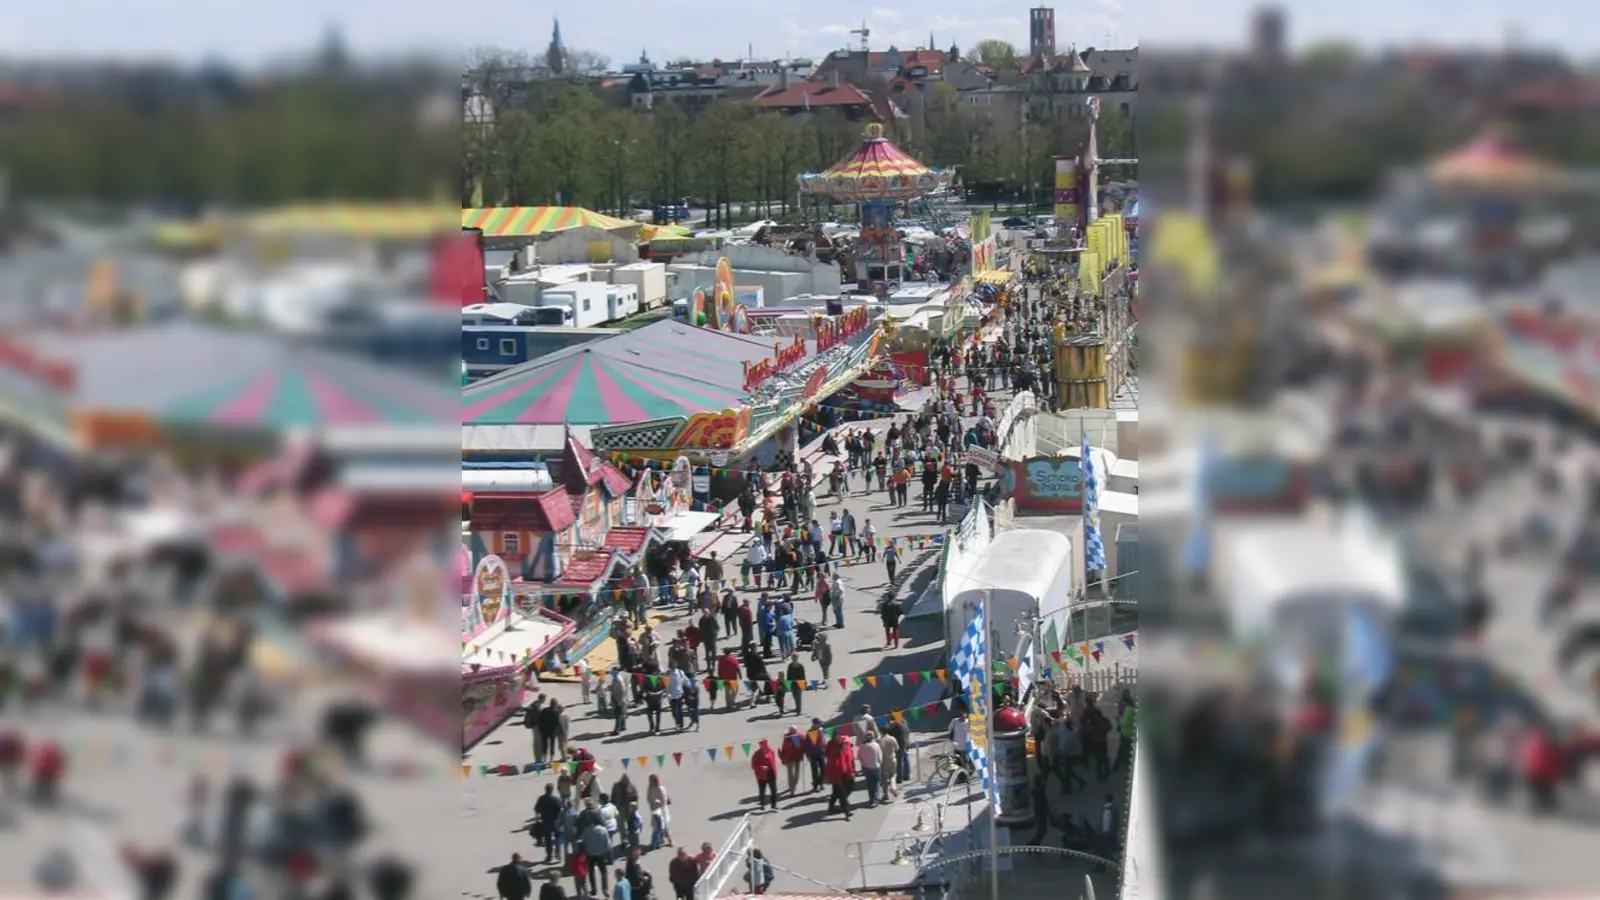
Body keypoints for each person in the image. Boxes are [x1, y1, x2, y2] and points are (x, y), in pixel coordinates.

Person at [535, 783, 566, 863]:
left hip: (545, 821)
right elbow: (560, 810)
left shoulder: (541, 799)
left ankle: (549, 856)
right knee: (558, 837)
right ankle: (558, 853)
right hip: (555, 821)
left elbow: (537, 810)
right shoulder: (556, 799)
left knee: (548, 839)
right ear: (552, 790)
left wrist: (537, 820)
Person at [751, 738, 780, 811]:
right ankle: (762, 804)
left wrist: (774, 771)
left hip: (771, 773)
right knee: (762, 790)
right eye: (760, 744)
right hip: (761, 775)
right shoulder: (757, 754)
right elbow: (753, 765)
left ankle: (774, 805)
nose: (762, 745)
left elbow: (773, 762)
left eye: (763, 743)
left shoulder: (771, 751)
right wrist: (761, 767)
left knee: (773, 790)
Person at [646, 773, 673, 849]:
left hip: (662, 811)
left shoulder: (661, 788)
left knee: (664, 827)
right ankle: (660, 839)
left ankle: (669, 840)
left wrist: (658, 803)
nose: (651, 782)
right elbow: (648, 798)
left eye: (652, 781)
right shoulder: (650, 788)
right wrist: (652, 805)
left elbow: (664, 800)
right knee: (656, 826)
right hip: (654, 810)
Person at [858, 730, 884, 807]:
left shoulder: (862, 746)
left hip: (866, 767)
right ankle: (876, 799)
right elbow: (880, 757)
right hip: (875, 766)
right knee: (876, 783)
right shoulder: (876, 745)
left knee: (869, 784)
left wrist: (863, 763)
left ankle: (871, 799)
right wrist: (880, 763)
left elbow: (859, 757)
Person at [778, 726, 806, 797]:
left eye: (795, 730)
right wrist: (783, 756)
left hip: (797, 757)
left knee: (797, 773)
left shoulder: (800, 736)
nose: (794, 732)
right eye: (792, 730)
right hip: (789, 758)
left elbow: (804, 744)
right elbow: (784, 747)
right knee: (790, 774)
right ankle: (792, 790)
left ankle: (793, 785)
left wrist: (803, 751)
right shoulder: (787, 738)